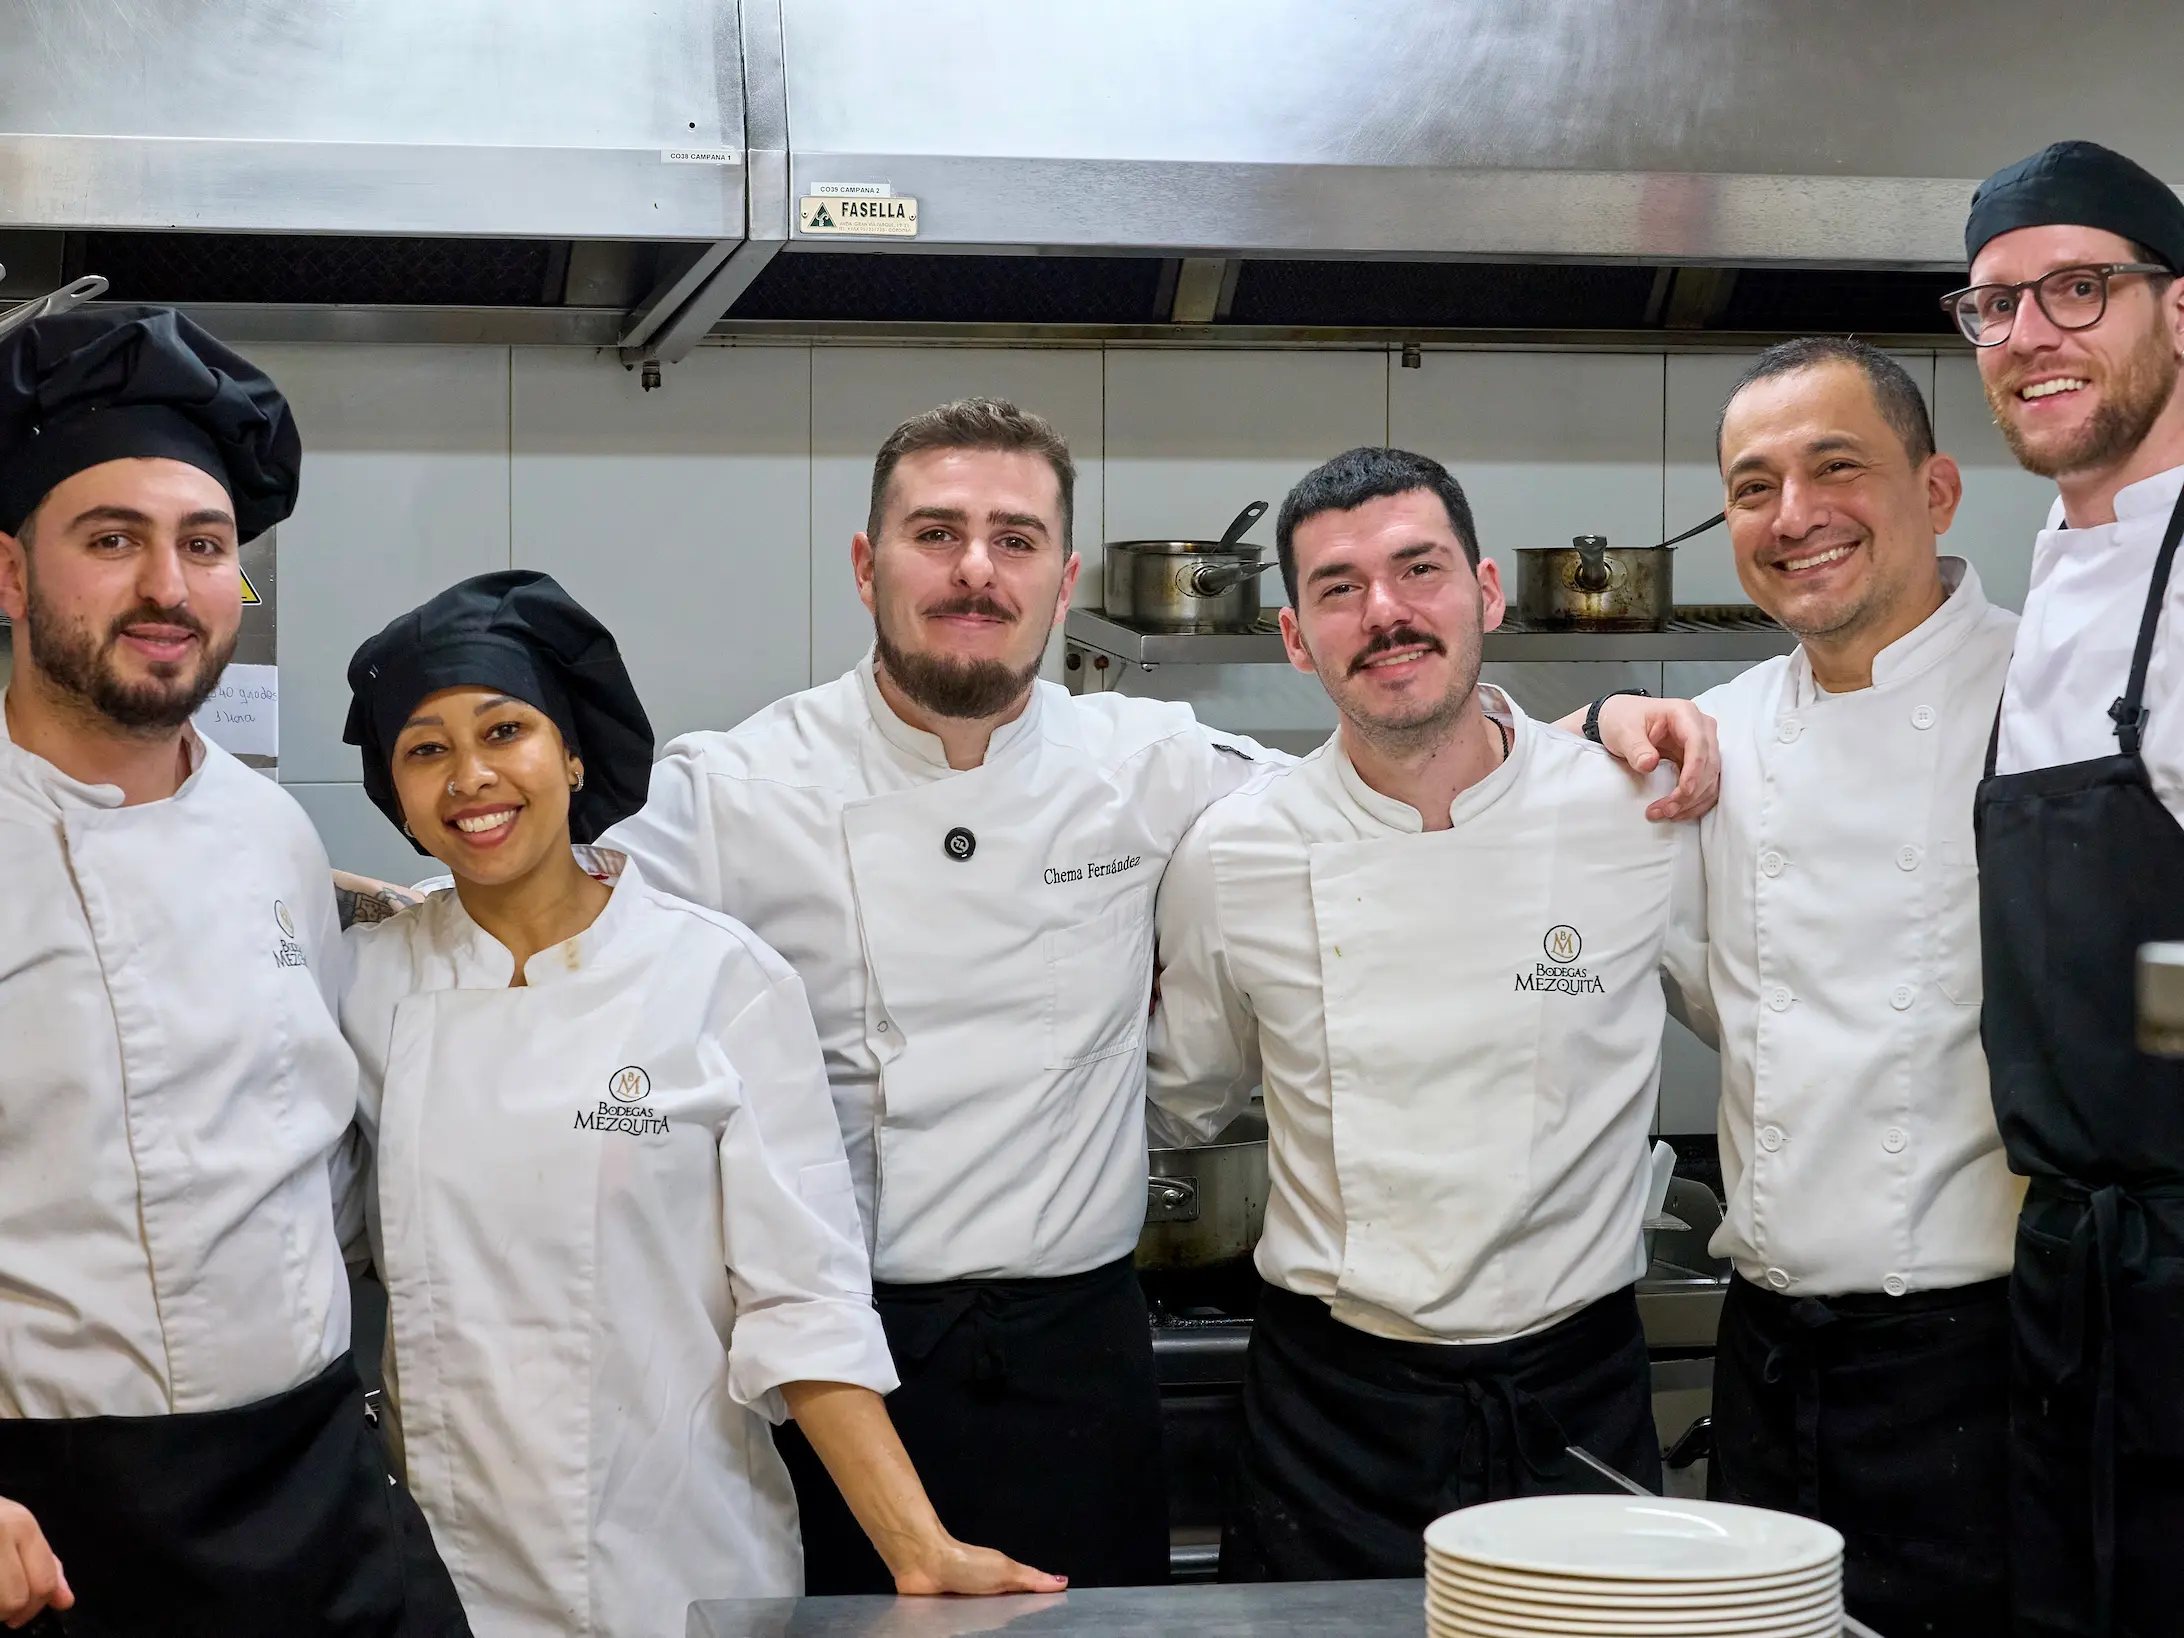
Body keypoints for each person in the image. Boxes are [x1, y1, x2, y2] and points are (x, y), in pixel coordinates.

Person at [603, 399, 1719, 1590]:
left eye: (1016, 540)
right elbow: (542, 903)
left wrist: (1583, 736)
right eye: (936, 534)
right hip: (840, 1365)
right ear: (867, 567)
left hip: (1076, 1358)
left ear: (1063, 583)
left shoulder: (1151, 766)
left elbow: (1395, 768)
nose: (977, 569)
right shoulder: (730, 790)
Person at [336, 571, 1061, 1636]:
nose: (471, 776)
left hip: (681, 1555)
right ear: (398, 794)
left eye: (505, 730)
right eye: (425, 749)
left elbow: (802, 1304)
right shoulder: (365, 988)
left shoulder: (718, 980)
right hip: (447, 1572)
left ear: (572, 753)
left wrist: (919, 1548)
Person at [0, 308, 466, 1635]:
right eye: (112, 540)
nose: (169, 585)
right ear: (10, 575)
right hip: (48, 1512)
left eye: (204, 546)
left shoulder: (275, 833)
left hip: (312, 1473)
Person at [1145, 446, 1681, 1581]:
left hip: (1574, 1390)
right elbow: (1183, 1098)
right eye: (1338, 588)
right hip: (1333, 1412)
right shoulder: (1236, 852)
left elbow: (1758, 1019)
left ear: (1486, 592)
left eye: (1418, 569)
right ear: (1296, 639)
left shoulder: (1635, 812)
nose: (1384, 612)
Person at [1659, 338, 2022, 1636]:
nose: (1794, 515)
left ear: (1937, 490)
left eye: (1836, 468)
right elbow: (1706, 992)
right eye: (1753, 487)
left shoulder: (2056, 703)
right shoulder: (1714, 739)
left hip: (1996, 1363)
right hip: (1768, 1356)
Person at [1951, 139, 2184, 1637]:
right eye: (1994, 304)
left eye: (2078, 288)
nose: (2029, 332)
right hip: (2074, 1297)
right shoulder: (2054, 583)